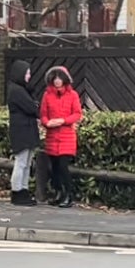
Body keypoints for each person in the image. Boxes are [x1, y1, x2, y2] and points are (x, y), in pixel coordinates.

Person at [39, 66, 84, 208]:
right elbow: (43, 114)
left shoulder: (73, 95)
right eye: (55, 78)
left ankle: (68, 195)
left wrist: (63, 121)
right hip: (52, 135)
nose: (57, 81)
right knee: (54, 168)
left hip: (66, 136)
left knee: (63, 166)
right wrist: (47, 123)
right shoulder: (47, 95)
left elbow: (77, 114)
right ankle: (58, 192)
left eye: (60, 78)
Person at [5, 61, 39, 207]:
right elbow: (32, 108)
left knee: (27, 162)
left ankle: (23, 189)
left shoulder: (20, 89)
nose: (29, 75)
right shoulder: (16, 90)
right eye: (27, 73)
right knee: (21, 162)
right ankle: (17, 191)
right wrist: (34, 105)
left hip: (27, 129)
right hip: (22, 130)